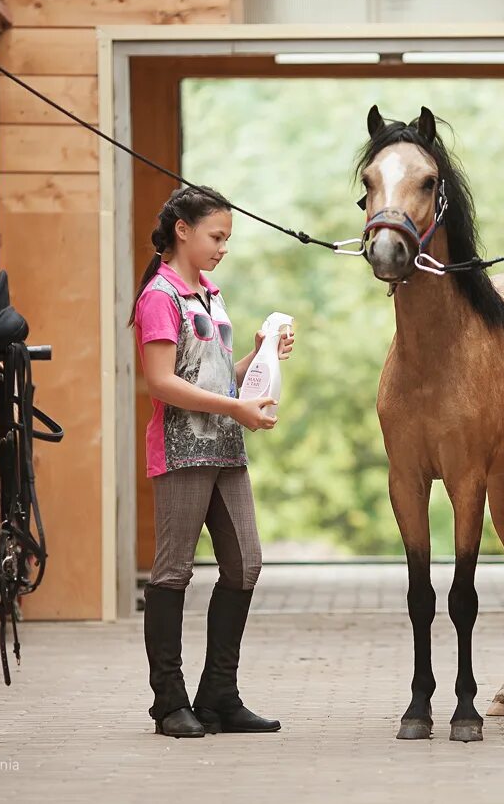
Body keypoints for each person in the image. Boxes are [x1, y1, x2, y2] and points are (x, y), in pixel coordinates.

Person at [129, 185, 295, 738]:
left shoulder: (210, 294)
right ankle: (169, 702)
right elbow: (160, 382)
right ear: (183, 230)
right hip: (181, 450)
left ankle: (219, 695)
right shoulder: (160, 295)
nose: (223, 247)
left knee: (245, 564)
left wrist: (259, 353)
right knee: (173, 571)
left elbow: (214, 371)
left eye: (227, 238)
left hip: (226, 446)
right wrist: (236, 407)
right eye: (216, 236)